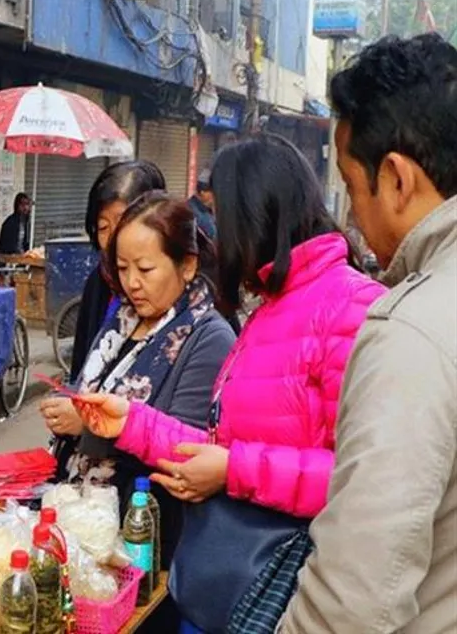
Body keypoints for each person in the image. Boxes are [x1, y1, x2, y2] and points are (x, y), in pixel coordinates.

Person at [77, 134, 387, 633]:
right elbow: (221, 446)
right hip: (226, 579)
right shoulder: (270, 307)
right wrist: (131, 422)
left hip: (283, 589)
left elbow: (358, 479)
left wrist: (234, 471)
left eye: (222, 220)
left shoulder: (351, 307)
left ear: (256, 216)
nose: (217, 240)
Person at [280, 34, 457, 634]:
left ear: (397, 179)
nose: (353, 215)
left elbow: (352, 602)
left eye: (353, 188)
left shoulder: (411, 330)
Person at [43, 160, 167, 477]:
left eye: (123, 223)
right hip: (87, 474)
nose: (112, 240)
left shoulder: (182, 304)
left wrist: (88, 423)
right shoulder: (98, 285)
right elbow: (82, 372)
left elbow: (177, 426)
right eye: (102, 228)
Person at [0, 192, 32, 264]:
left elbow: (25, 243)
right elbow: (7, 246)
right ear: (17, 206)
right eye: (22, 205)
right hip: (9, 260)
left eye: (27, 204)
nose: (25, 208)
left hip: (22, 259)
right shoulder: (10, 222)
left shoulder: (27, 222)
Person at [187, 169, 217, 240]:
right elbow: (214, 236)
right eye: (213, 192)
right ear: (203, 192)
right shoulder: (195, 213)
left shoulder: (206, 209)